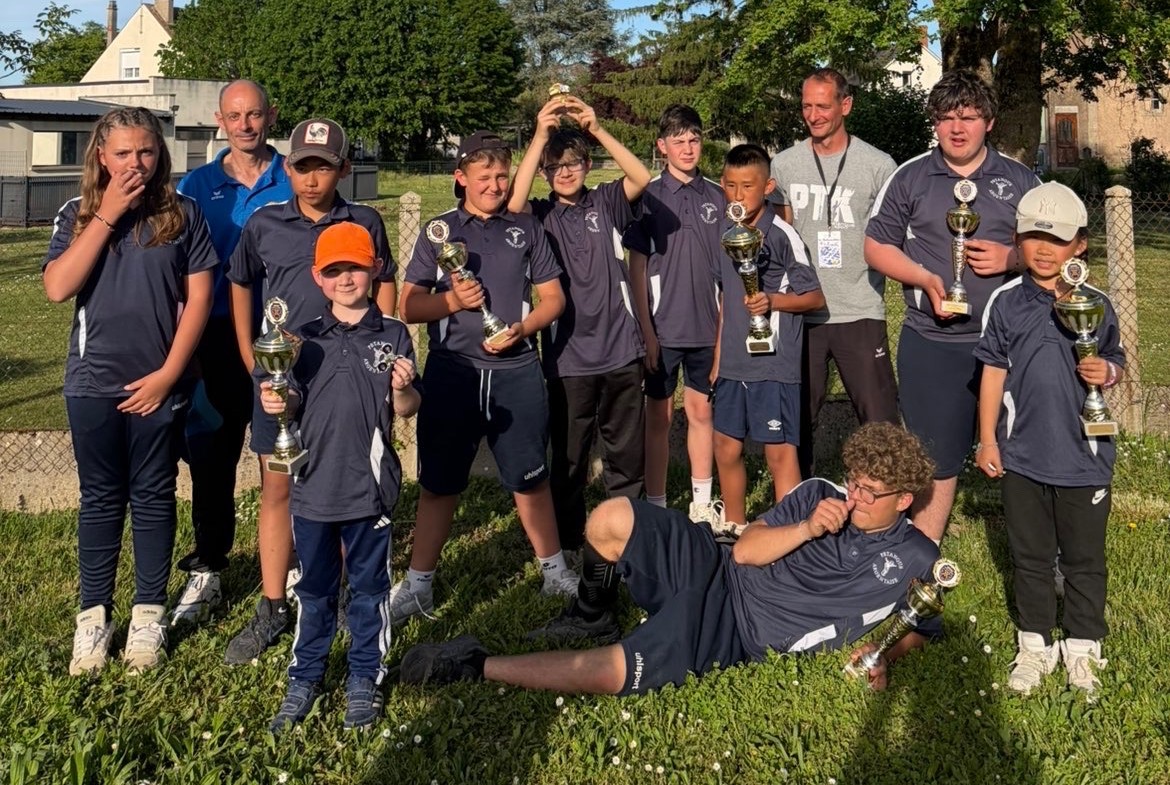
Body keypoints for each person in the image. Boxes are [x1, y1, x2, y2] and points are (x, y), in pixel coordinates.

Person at [400, 422, 941, 694]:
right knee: (611, 518)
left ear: (904, 499)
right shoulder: (818, 493)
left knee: (620, 670)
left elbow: (923, 626)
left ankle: (473, 663)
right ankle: (590, 611)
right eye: (855, 483)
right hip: (720, 566)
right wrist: (805, 526)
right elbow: (748, 552)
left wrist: (885, 656)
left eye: (872, 493)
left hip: (739, 632)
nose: (856, 498)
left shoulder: (917, 555)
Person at [45, 106, 217, 675]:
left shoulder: (183, 214)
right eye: (122, 153)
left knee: (152, 495)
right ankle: (93, 618)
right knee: (99, 499)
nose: (135, 162)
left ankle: (149, 614)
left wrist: (169, 375)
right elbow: (57, 287)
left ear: (160, 154)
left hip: (160, 382)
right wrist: (108, 216)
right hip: (93, 382)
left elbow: (198, 300)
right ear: (101, 156)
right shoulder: (76, 214)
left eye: (145, 151)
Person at [223, 117, 397, 664]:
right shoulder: (264, 224)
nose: (312, 177)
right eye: (302, 166)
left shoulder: (364, 220)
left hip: (348, 378)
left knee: (344, 487)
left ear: (343, 168)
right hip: (284, 379)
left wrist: (382, 347)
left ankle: (337, 593)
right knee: (277, 488)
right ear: (288, 168)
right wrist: (255, 356)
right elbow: (240, 282)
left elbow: (384, 280)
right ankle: (274, 603)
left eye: (323, 166)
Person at [391, 131, 577, 624]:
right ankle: (418, 586)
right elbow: (405, 305)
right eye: (484, 177)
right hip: (454, 372)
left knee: (530, 479)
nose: (495, 185)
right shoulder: (439, 231)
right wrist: (452, 301)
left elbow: (553, 299)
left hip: (517, 370)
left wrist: (523, 328)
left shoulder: (526, 229)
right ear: (461, 178)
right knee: (439, 485)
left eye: (502, 175)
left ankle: (555, 573)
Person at [864, 69, 1041, 543]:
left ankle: (1045, 557)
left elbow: (1055, 250)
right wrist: (923, 277)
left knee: (1028, 452)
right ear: (935, 123)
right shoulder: (912, 177)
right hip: (933, 341)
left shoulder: (1021, 180)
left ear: (990, 121)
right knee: (933, 458)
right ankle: (922, 561)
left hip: (1011, 345)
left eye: (968, 117)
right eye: (945, 118)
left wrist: (1013, 256)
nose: (956, 128)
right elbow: (876, 247)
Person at [259, 222, 420, 733]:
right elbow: (291, 401)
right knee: (315, 590)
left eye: (354, 266)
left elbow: (410, 407)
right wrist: (275, 399)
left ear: (374, 269)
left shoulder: (393, 334)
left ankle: (364, 677)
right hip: (312, 490)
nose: (346, 278)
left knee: (370, 591)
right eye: (334, 271)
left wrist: (402, 391)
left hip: (369, 491)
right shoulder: (301, 338)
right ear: (318, 278)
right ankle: (305, 676)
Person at [974, 182, 1122, 698]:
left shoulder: (1097, 304)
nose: (1042, 249)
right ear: (1017, 238)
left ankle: (1082, 647)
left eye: (1056, 240)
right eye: (1032, 236)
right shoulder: (1005, 301)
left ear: (1079, 245)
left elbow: (1115, 361)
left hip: (1085, 458)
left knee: (1083, 558)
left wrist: (1109, 372)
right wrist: (988, 440)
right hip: (1024, 456)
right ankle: (1034, 642)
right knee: (1031, 556)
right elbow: (993, 373)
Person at [171, 79, 293, 626]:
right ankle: (211, 566)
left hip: (288, 344)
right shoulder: (195, 185)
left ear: (270, 117)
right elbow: (173, 268)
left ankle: (292, 563)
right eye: (234, 116)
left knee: (286, 454)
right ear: (220, 121)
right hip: (214, 338)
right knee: (211, 457)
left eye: (254, 115)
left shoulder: (294, 177)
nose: (245, 125)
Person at [506, 95, 652, 553]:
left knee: (625, 458)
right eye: (556, 167)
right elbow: (512, 203)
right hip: (567, 359)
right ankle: (568, 546)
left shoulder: (607, 201)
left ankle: (629, 540)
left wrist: (596, 129)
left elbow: (641, 176)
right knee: (568, 461)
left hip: (621, 351)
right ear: (546, 174)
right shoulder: (541, 215)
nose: (565, 172)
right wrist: (539, 137)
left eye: (573, 163)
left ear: (588, 165)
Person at [768, 68, 900, 477]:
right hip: (802, 311)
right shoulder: (785, 164)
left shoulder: (878, 165)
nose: (813, 114)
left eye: (822, 105)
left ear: (845, 105)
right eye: (807, 106)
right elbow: (779, 236)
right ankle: (800, 503)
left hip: (859, 308)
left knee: (879, 422)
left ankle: (889, 506)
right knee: (798, 418)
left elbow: (891, 239)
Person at [622, 104, 726, 525]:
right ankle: (658, 505)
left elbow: (730, 273)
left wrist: (722, 339)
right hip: (662, 331)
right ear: (662, 147)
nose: (688, 147)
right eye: (679, 140)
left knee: (702, 413)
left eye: (694, 139)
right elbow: (637, 269)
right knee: (659, 418)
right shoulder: (647, 197)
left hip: (707, 329)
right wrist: (647, 331)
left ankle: (702, 502)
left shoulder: (718, 196)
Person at [713, 144, 824, 534]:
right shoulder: (726, 233)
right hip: (732, 364)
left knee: (779, 454)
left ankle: (787, 536)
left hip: (774, 363)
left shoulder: (782, 234)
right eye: (730, 185)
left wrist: (773, 301)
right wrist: (717, 358)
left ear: (768, 186)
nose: (738, 195)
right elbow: (727, 298)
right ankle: (734, 528)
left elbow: (815, 297)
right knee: (726, 449)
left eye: (748, 186)